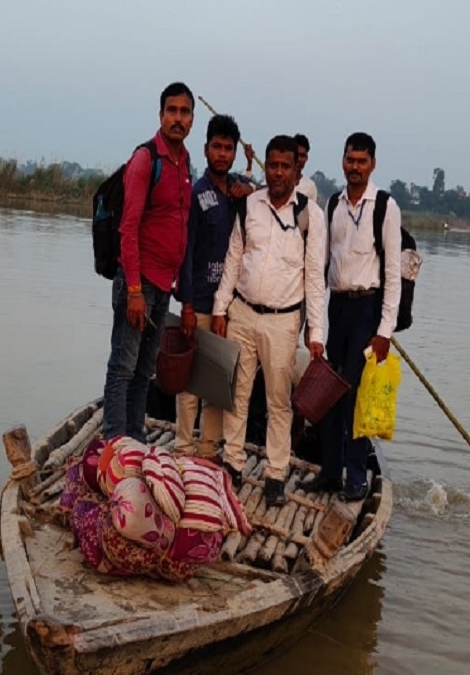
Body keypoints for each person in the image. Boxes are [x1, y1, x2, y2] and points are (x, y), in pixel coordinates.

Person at [211, 135, 327, 507]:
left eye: (285, 166)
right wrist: (219, 307)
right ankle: (232, 463)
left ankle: (276, 474)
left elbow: (315, 277)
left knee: (279, 401)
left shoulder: (310, 215)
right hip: (242, 312)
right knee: (237, 392)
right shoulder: (249, 205)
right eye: (272, 165)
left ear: (297, 170)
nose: (277, 173)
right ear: (266, 166)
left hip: (283, 321)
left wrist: (316, 331)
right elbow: (233, 258)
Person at [302, 132, 402, 502]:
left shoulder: (385, 207)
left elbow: (393, 275)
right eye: (349, 160)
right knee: (330, 391)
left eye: (361, 161)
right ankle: (330, 472)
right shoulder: (333, 205)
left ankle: (356, 478)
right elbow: (321, 264)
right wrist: (314, 323)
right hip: (337, 308)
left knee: (357, 397)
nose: (355, 167)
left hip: (367, 310)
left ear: (372, 164)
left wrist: (384, 331)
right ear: (342, 161)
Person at [102, 82, 196, 442]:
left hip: (164, 285)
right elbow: (128, 228)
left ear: (191, 120)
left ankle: (135, 439)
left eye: (184, 112)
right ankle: (114, 442)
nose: (177, 118)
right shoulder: (146, 160)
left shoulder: (185, 162)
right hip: (138, 283)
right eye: (171, 111)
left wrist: (183, 297)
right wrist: (135, 292)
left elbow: (182, 230)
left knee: (144, 371)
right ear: (160, 116)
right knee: (122, 367)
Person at [172, 114, 255, 459]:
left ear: (235, 153)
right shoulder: (196, 194)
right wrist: (188, 307)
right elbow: (185, 254)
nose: (222, 154)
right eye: (216, 147)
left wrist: (248, 189)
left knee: (218, 384)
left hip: (232, 307)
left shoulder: (241, 191)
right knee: (189, 384)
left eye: (228, 149)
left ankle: (207, 451)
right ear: (205, 150)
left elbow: (273, 197)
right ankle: (181, 448)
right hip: (199, 303)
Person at [294, 133, 319, 204]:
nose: (299, 159)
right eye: (297, 155)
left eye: (302, 156)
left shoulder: (310, 187)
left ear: (306, 158)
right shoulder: (279, 182)